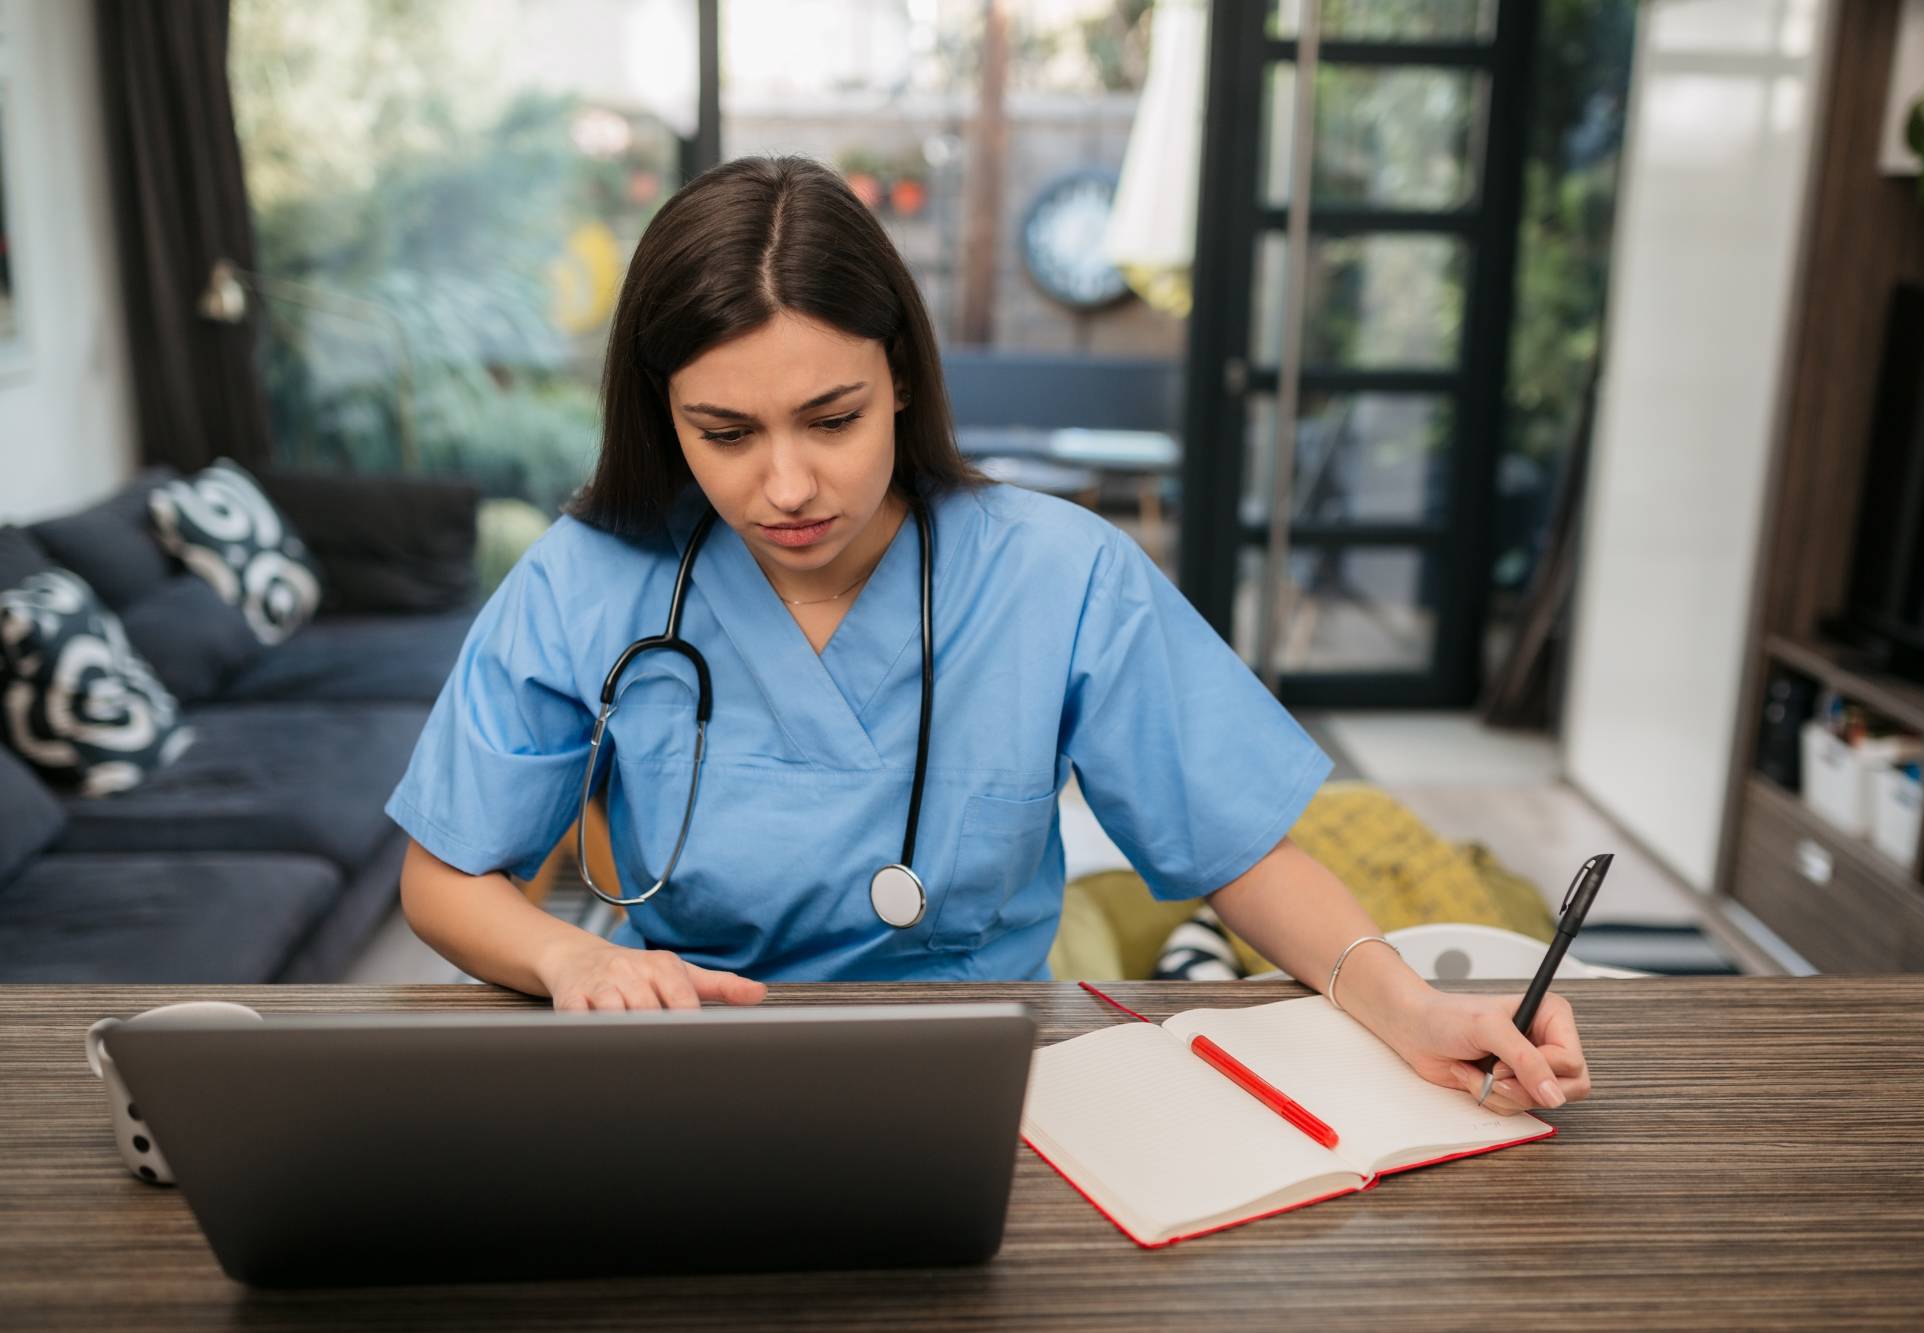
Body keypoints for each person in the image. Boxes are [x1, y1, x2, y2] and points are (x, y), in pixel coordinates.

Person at [387, 155, 1589, 1116]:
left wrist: (1409, 1008)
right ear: (664, 417)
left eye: (830, 416)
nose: (788, 484)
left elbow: (1237, 847)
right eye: (726, 433)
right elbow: (443, 873)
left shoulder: (1056, 572)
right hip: (677, 1073)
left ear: (900, 378)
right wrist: (570, 961)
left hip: (994, 1084)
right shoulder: (586, 579)